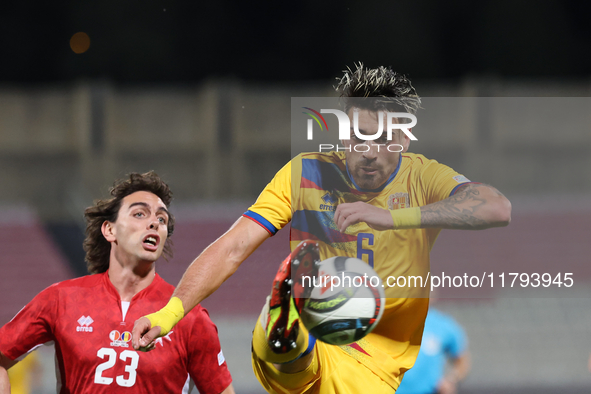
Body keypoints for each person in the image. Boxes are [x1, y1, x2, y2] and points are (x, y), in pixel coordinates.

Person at [132, 64, 511, 393]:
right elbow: (234, 246)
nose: (369, 150)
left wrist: (394, 217)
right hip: (313, 324)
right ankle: (287, 328)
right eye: (359, 136)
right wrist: (169, 314)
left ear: (403, 139)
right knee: (287, 351)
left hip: (373, 363)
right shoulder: (306, 173)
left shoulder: (424, 178)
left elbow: (496, 208)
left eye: (382, 138)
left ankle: (288, 335)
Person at [0, 172, 234, 394]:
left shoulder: (189, 316)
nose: (154, 222)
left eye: (161, 219)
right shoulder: (60, 300)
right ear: (109, 229)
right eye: (140, 214)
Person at [396, 308, 470, 394]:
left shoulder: (443, 324)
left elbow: (462, 361)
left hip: (429, 391)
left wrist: (450, 380)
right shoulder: (389, 320)